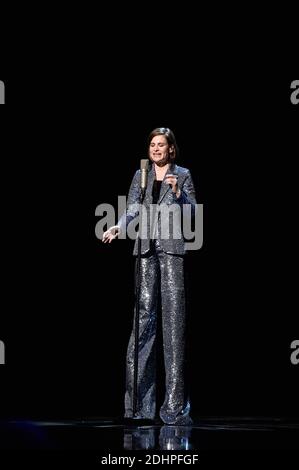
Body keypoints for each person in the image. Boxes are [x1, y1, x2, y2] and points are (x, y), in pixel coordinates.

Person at [102, 127, 197, 425]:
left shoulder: (182, 174)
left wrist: (180, 196)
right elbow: (132, 206)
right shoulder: (140, 174)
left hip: (171, 252)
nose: (156, 149)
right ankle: (140, 407)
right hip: (144, 250)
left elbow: (194, 212)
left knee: (173, 324)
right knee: (142, 322)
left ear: (171, 149)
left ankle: (174, 408)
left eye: (161, 145)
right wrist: (119, 226)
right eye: (152, 145)